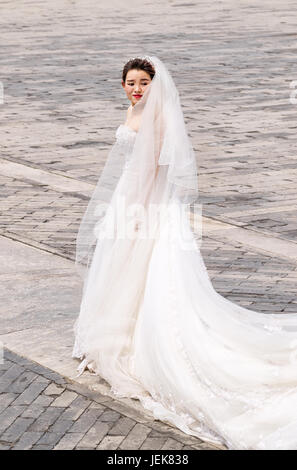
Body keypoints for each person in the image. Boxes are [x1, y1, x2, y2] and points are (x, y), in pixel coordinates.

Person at [72, 55, 297, 450]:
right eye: (130, 82)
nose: (137, 89)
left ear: (155, 85)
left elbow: (152, 173)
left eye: (143, 82)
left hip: (145, 205)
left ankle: (135, 342)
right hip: (131, 199)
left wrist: (136, 215)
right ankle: (118, 331)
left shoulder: (154, 120)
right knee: (124, 273)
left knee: (147, 275)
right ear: (121, 85)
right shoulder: (134, 110)